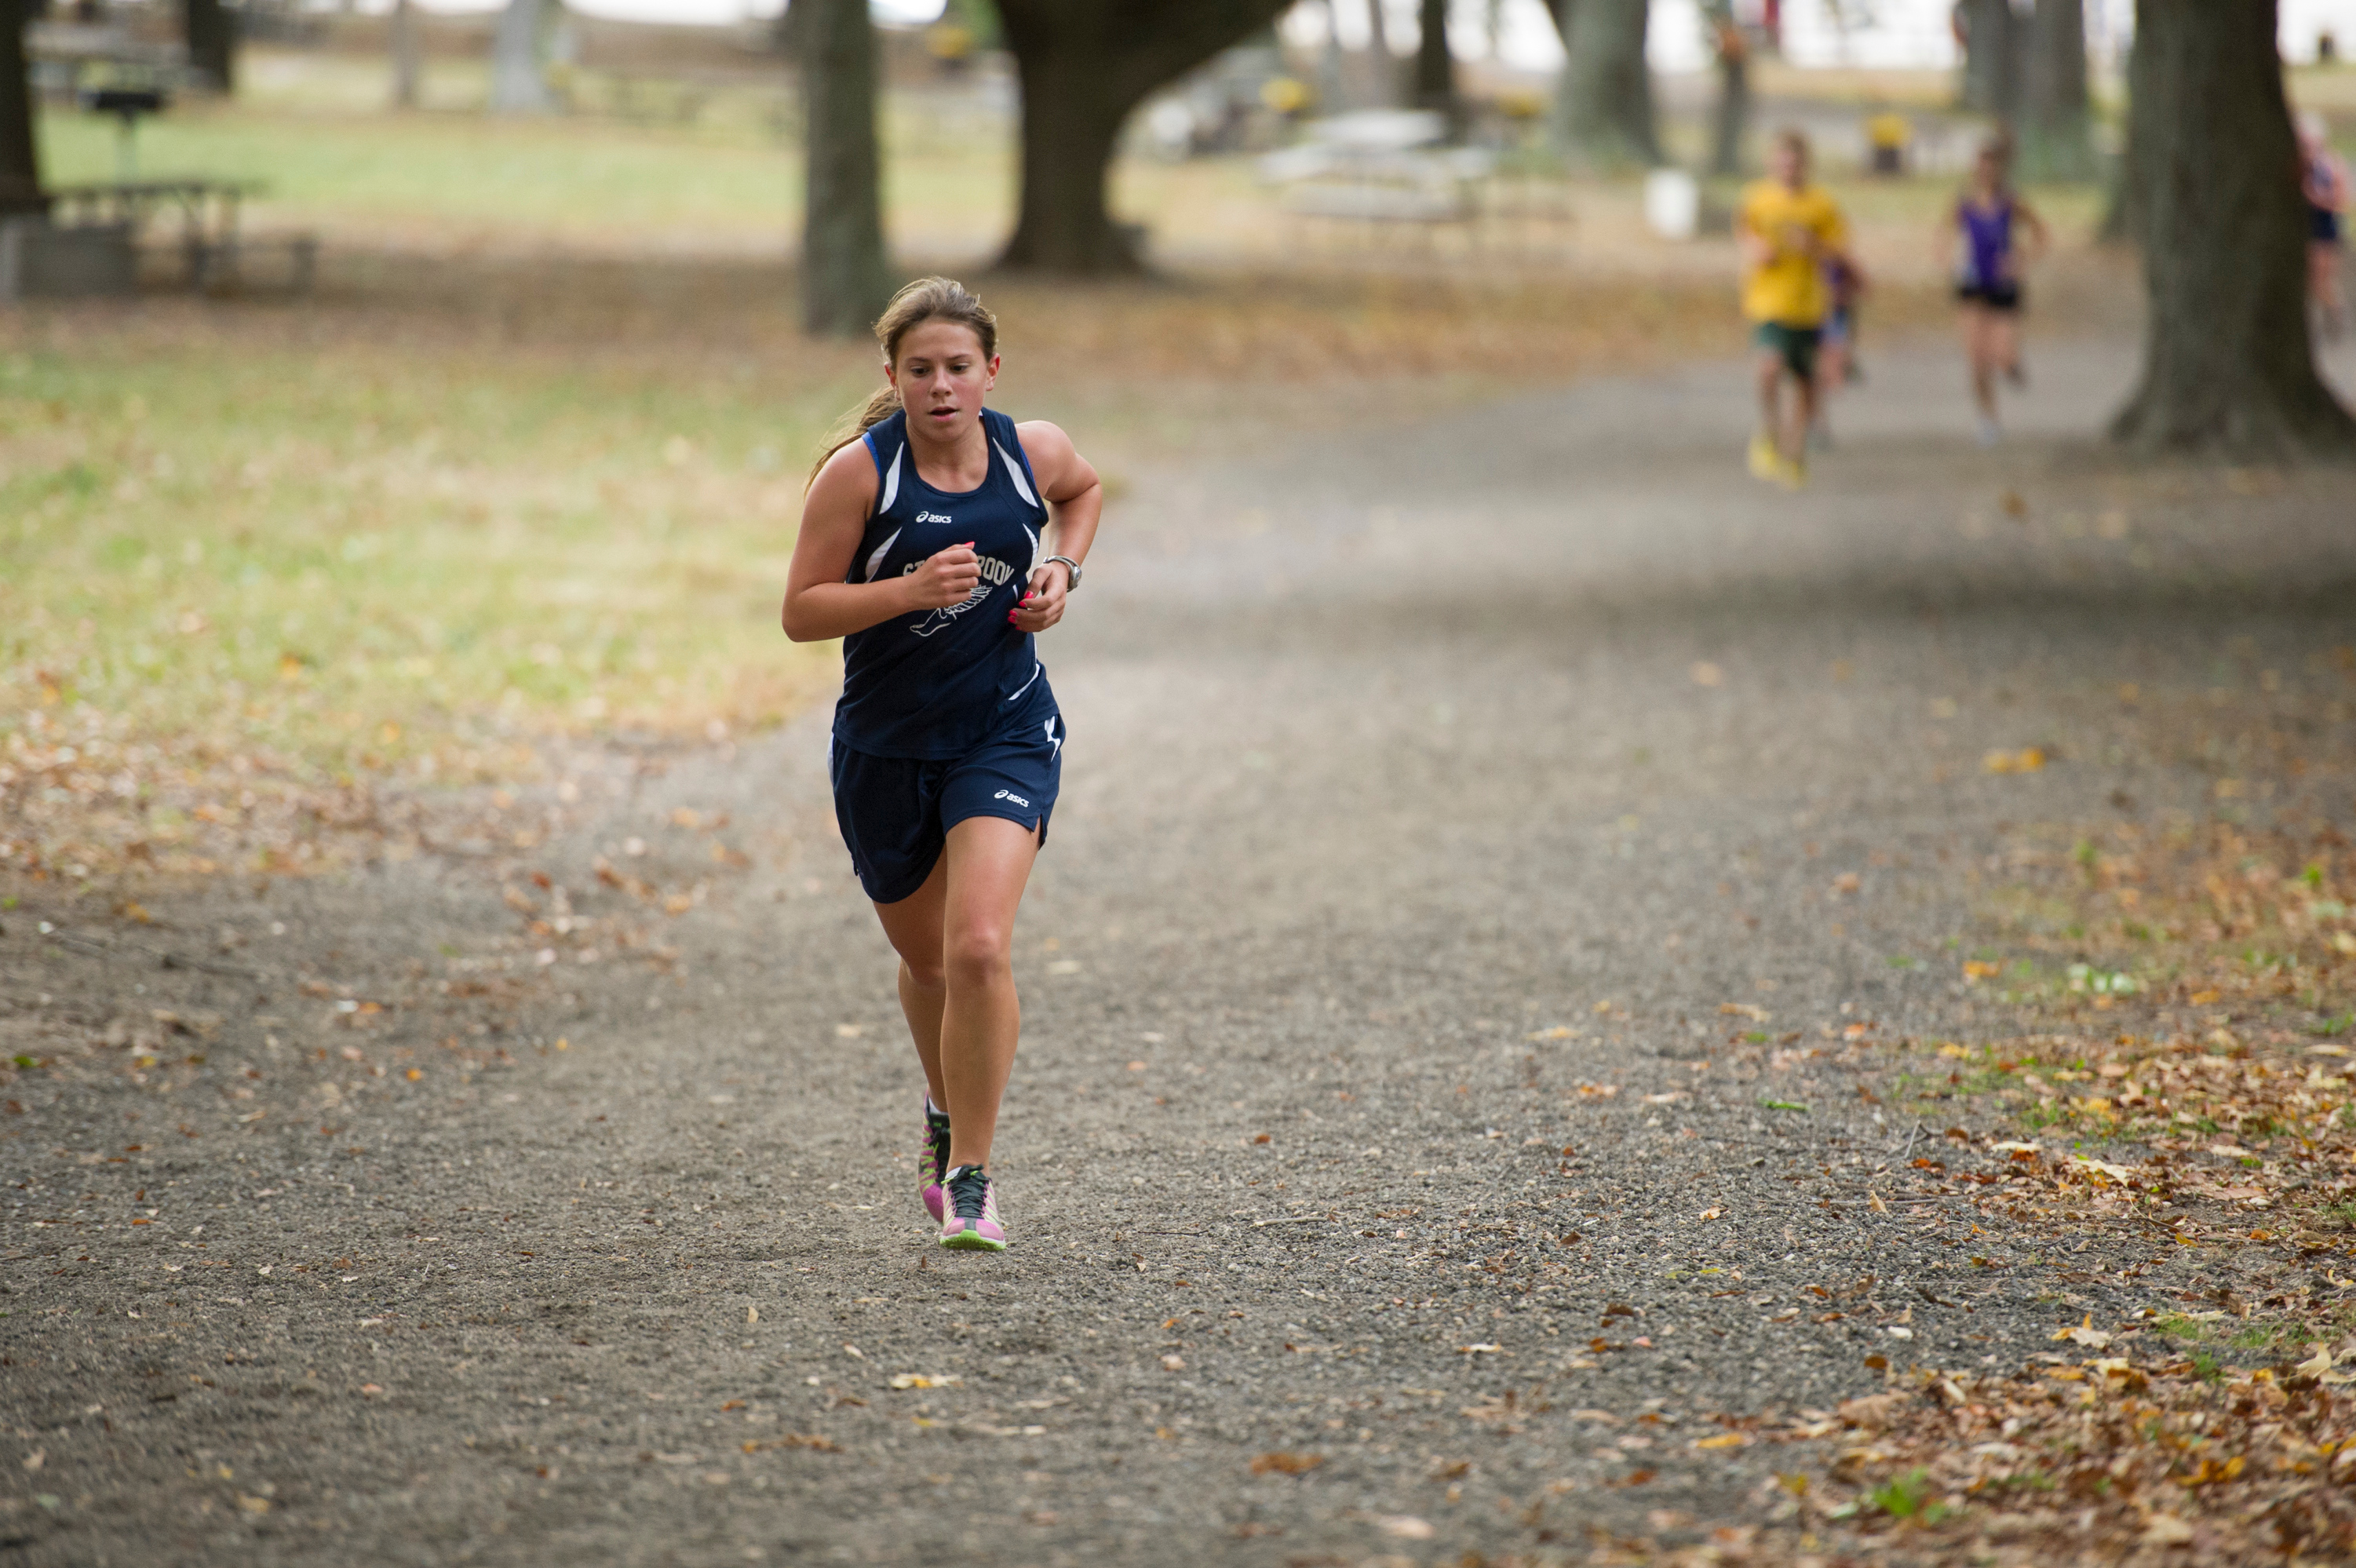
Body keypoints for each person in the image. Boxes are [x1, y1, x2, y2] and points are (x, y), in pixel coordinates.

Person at [782, 277, 1103, 1253]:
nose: (940, 385)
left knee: (976, 949)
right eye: (919, 369)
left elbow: (1082, 493)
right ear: (893, 376)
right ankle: (940, 1107)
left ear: (990, 371)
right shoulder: (857, 476)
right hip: (884, 748)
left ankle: (971, 1174)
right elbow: (800, 612)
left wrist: (1062, 570)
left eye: (958, 367)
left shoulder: (1028, 451)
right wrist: (907, 590)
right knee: (925, 962)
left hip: (1001, 729)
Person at [1737, 127, 1854, 487]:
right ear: (1772, 162)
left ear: (1806, 165)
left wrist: (1813, 246)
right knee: (1769, 369)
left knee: (1804, 383)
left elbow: (1840, 253)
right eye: (1782, 161)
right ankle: (1769, 430)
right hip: (1768, 302)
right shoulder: (1757, 199)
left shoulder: (1821, 205)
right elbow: (1745, 232)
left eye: (1795, 162)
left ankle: (1794, 450)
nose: (1789, 168)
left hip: (1809, 306)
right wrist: (1757, 250)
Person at [1942, 136, 2048, 447]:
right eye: (1981, 164)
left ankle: (2014, 368)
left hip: (2003, 286)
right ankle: (1987, 418)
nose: (1986, 170)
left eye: (1992, 164)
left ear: (2000, 168)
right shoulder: (1964, 202)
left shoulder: (2011, 203)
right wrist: (1949, 262)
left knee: (2002, 353)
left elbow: (2040, 235)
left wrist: (2021, 259)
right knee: (1977, 359)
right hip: (1972, 286)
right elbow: (1943, 236)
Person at [2301, 111, 2350, 342]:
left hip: (2325, 231)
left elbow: (2343, 199)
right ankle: (2319, 326)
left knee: (2321, 283)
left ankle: (2336, 319)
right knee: (2310, 282)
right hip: (2305, 230)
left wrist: (2315, 198)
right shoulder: (2301, 166)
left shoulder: (2332, 164)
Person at [1812, 247, 1868, 448]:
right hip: (1808, 318)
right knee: (1815, 374)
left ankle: (1818, 423)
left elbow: (1862, 285)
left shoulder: (1837, 255)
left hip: (1834, 318)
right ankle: (1818, 424)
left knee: (1824, 374)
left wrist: (1842, 296)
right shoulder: (1798, 258)